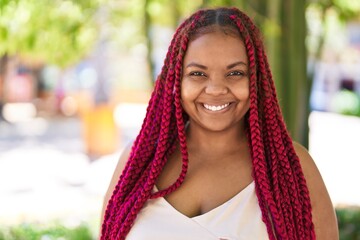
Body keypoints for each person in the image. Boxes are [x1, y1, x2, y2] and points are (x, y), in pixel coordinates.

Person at [100, 7, 338, 240]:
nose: (215, 89)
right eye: (197, 74)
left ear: (256, 80)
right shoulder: (139, 161)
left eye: (235, 73)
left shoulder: (293, 166)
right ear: (176, 80)